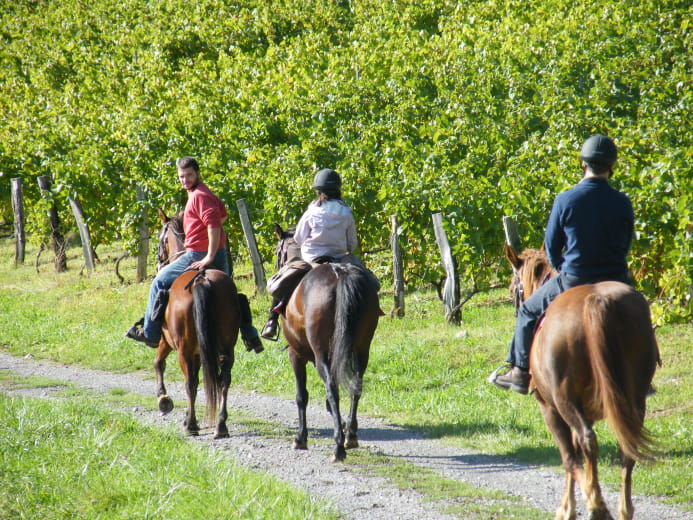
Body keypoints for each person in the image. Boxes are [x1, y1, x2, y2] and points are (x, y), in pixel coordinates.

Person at [490, 134, 633, 394]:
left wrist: (563, 270)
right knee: (639, 312)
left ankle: (519, 372)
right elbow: (625, 245)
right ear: (611, 167)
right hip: (615, 279)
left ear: (583, 165)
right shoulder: (622, 202)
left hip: (574, 278)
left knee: (527, 313)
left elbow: (552, 250)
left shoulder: (565, 200)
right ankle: (643, 374)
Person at [126, 156, 263, 353]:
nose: (185, 180)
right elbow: (222, 215)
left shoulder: (199, 196)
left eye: (189, 175)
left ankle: (150, 333)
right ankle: (249, 334)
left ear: (197, 173)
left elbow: (214, 224)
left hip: (198, 254)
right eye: (181, 177)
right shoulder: (204, 193)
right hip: (219, 254)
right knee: (229, 294)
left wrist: (208, 255)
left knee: (158, 281)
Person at [260, 168, 360, 340]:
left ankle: (272, 321)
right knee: (367, 280)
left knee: (284, 282)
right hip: (341, 259)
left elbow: (298, 239)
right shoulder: (346, 213)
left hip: (312, 260)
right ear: (338, 190)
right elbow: (352, 244)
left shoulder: (311, 212)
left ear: (318, 191)